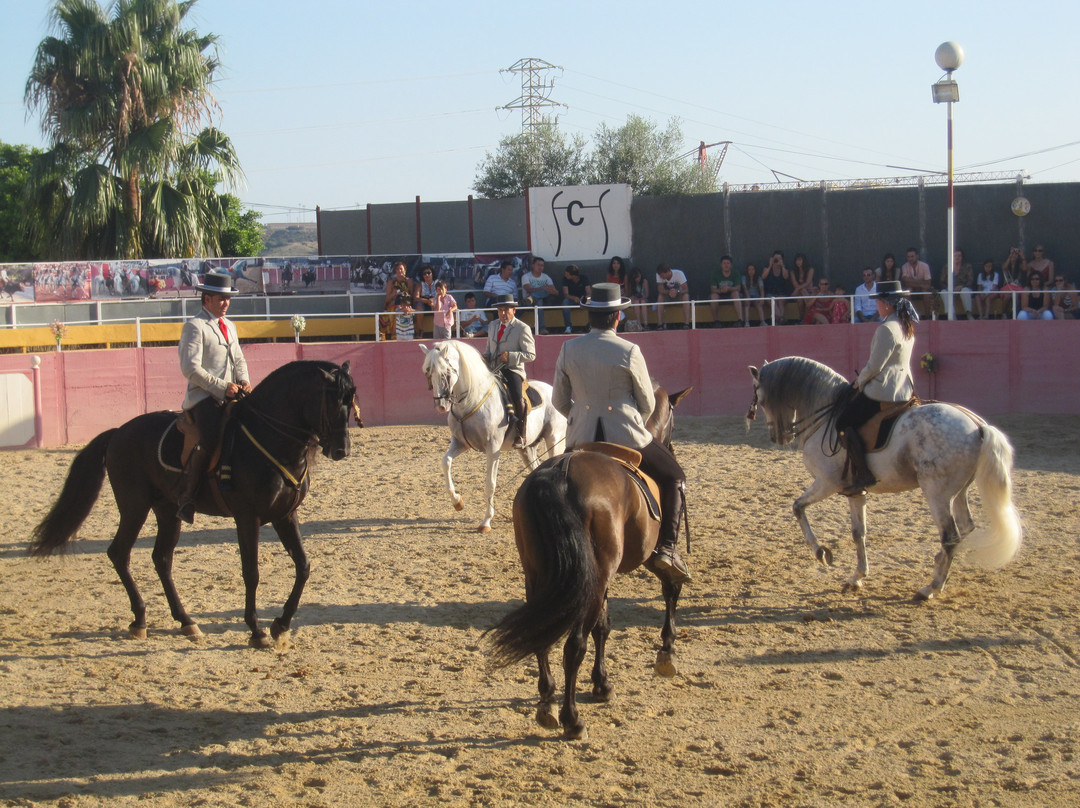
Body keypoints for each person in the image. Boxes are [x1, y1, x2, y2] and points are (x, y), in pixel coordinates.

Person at [551, 283, 690, 585]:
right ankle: (666, 548)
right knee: (674, 476)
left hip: (580, 438)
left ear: (590, 317)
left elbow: (559, 401)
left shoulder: (569, 348)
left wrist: (579, 418)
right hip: (626, 435)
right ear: (617, 318)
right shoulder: (629, 350)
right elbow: (648, 402)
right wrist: (632, 422)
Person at [176, 271, 252, 524]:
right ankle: (188, 496)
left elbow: (238, 359)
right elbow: (190, 368)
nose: (226, 303)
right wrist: (222, 387)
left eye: (228, 299)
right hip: (203, 398)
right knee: (209, 438)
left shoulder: (229, 326)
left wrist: (244, 380)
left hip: (232, 393)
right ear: (206, 299)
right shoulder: (195, 326)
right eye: (221, 299)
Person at [835, 280, 918, 495]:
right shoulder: (905, 325)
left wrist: (859, 381)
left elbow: (874, 366)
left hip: (885, 390)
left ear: (886, 304)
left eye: (879, 302)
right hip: (905, 388)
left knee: (843, 422)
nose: (878, 306)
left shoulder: (887, 329)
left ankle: (863, 474)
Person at [483, 294, 535, 449]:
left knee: (517, 396)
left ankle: (521, 433)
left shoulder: (522, 328)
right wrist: (486, 356)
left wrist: (510, 356)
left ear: (514, 310)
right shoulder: (492, 325)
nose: (503, 314)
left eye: (506, 310)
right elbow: (489, 348)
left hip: (513, 369)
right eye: (500, 310)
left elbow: (531, 354)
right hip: (493, 369)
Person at [520, 256, 558, 334]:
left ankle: (531, 298)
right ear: (533, 265)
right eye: (538, 265)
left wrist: (546, 290)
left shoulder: (546, 277)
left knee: (543, 295)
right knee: (539, 301)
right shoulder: (526, 277)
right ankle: (542, 328)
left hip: (544, 300)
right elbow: (529, 290)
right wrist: (544, 287)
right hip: (532, 302)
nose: (540, 267)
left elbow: (555, 292)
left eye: (542, 265)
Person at [381, 260, 413, 341]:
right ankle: (393, 335)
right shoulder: (391, 282)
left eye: (401, 269)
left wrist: (406, 296)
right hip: (393, 304)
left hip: (406, 304)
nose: (399, 271)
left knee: (404, 310)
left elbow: (412, 296)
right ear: (395, 271)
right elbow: (387, 299)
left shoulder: (409, 281)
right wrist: (394, 294)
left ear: (405, 271)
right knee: (394, 311)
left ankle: (402, 335)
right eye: (398, 269)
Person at [709, 255, 743, 326]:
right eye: (724, 263)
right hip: (720, 294)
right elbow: (713, 289)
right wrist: (721, 290)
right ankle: (716, 321)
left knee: (736, 293)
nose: (726, 265)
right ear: (721, 265)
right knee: (713, 296)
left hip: (731, 293)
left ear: (731, 265)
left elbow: (738, 288)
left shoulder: (735, 273)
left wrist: (728, 288)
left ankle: (740, 320)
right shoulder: (716, 274)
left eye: (728, 263)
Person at [939, 249, 974, 318]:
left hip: (964, 289)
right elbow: (941, 282)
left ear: (962, 257)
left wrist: (962, 286)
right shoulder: (947, 267)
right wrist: (948, 288)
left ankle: (969, 314)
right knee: (943, 292)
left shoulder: (967, 266)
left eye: (959, 256)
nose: (957, 257)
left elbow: (971, 280)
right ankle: (952, 315)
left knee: (965, 291)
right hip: (950, 290)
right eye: (955, 256)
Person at [655, 263, 690, 328]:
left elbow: (686, 289)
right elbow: (660, 290)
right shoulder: (658, 275)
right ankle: (660, 324)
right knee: (660, 297)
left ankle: (686, 323)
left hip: (679, 295)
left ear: (668, 272)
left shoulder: (679, 274)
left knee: (686, 296)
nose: (661, 277)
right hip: (667, 296)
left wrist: (677, 291)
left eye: (662, 276)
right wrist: (670, 292)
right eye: (660, 275)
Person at [761, 251, 792, 322]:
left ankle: (779, 319)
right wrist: (770, 265)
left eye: (779, 258)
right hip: (770, 293)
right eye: (775, 258)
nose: (777, 260)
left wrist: (782, 266)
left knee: (780, 302)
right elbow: (763, 277)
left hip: (782, 293)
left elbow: (786, 277)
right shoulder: (767, 268)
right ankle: (781, 318)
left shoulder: (784, 269)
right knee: (773, 302)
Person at [560, 264, 591, 334]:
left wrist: (585, 298)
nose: (565, 275)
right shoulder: (565, 279)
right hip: (572, 300)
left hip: (584, 300)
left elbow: (589, 293)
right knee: (565, 302)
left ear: (573, 275)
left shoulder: (584, 278)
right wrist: (573, 298)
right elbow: (566, 294)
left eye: (567, 274)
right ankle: (568, 327)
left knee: (592, 302)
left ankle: (591, 325)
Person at [412, 264, 437, 337]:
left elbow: (442, 295)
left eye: (428, 273)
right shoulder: (420, 284)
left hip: (435, 301)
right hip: (423, 301)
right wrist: (427, 301)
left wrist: (433, 301)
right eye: (424, 273)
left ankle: (440, 329)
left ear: (432, 273)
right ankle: (420, 330)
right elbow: (416, 297)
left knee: (436, 307)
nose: (427, 275)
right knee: (419, 308)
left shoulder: (437, 283)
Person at [790, 253, 815, 317]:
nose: (798, 262)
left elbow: (808, 282)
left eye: (800, 260)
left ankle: (806, 317)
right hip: (799, 293)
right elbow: (795, 284)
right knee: (800, 300)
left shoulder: (810, 270)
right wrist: (799, 289)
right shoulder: (793, 272)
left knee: (803, 291)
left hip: (809, 291)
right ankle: (803, 318)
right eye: (796, 260)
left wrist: (798, 289)